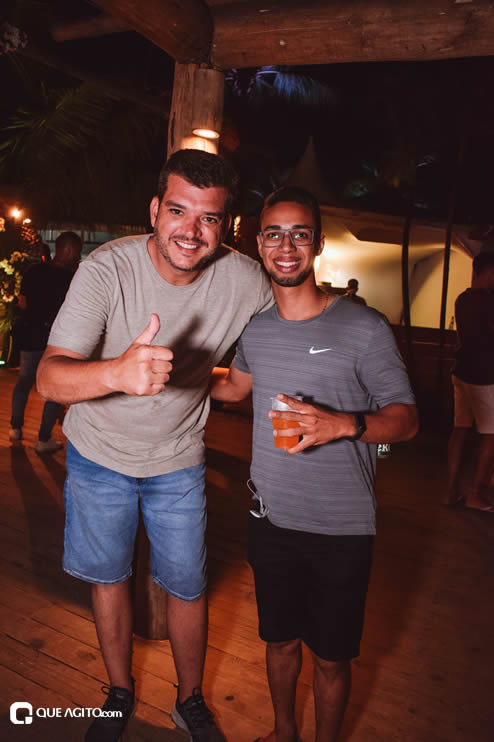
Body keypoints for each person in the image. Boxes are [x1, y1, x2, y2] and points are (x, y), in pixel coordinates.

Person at [36, 149, 272, 742]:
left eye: (209, 217)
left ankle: (189, 700)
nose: (191, 231)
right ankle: (118, 692)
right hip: (98, 455)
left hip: (178, 461)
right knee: (110, 577)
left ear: (225, 225)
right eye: (178, 211)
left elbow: (287, 325)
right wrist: (117, 372)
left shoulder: (245, 280)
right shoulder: (106, 269)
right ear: (154, 210)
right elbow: (49, 378)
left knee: (187, 585)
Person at [211, 186, 418, 742]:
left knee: (330, 657)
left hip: (341, 530)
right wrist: (173, 372)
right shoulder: (256, 328)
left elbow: (406, 420)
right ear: (259, 244)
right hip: (271, 521)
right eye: (274, 234)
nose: (286, 247)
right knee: (278, 642)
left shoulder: (363, 328)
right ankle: (284, 734)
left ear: (318, 243)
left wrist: (342, 424)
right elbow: (234, 388)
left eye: (299, 234)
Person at [9, 231, 82, 453]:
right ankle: (43, 439)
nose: (78, 256)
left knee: (24, 382)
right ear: (68, 250)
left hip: (31, 334)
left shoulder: (34, 271)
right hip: (56, 340)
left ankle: (15, 428)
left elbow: (22, 302)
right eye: (77, 251)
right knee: (55, 388)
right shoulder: (71, 279)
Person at [445, 250, 494, 512]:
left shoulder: (462, 299)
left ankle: (450, 491)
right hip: (484, 375)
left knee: (460, 429)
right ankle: (475, 494)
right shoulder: (489, 301)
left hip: (462, 370)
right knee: (491, 435)